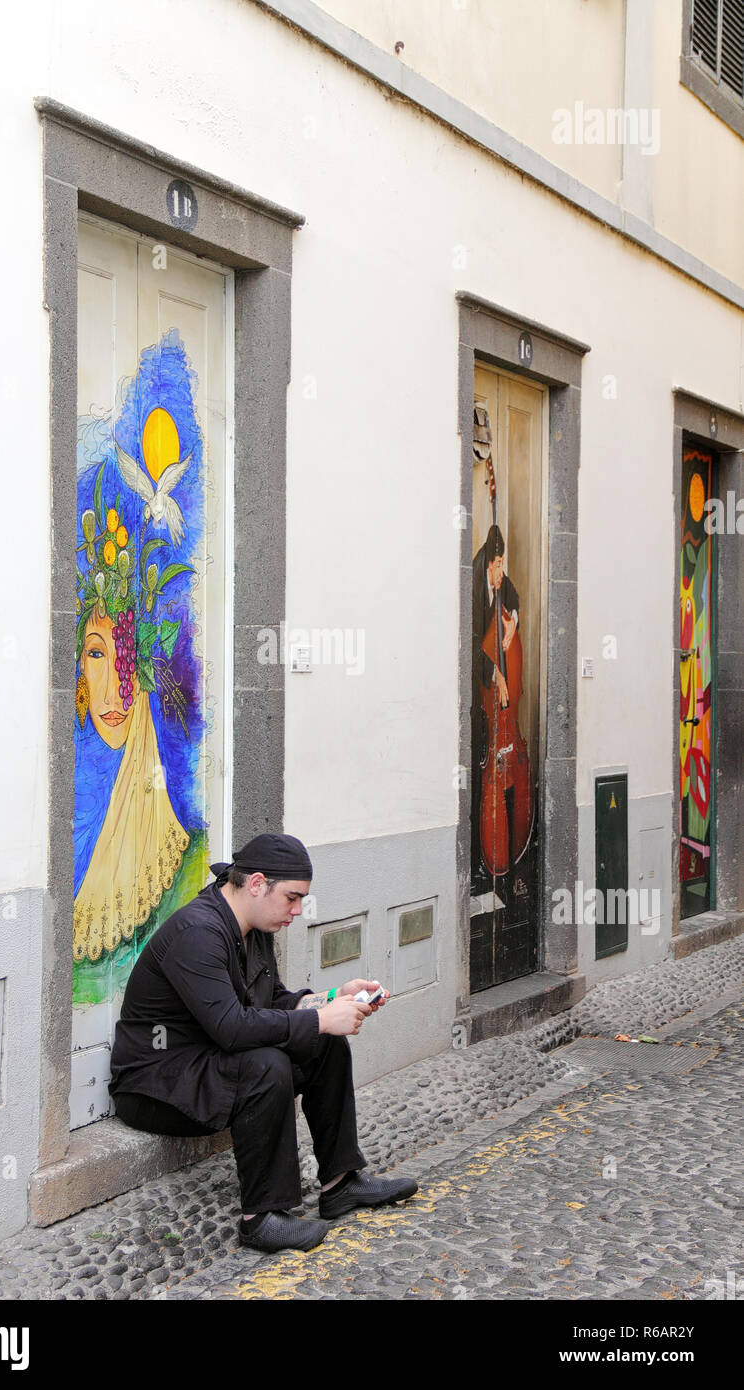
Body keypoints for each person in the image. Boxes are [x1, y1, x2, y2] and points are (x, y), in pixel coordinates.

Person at [109, 832, 417, 1253]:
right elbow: (232, 1028)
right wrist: (320, 1019)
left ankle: (341, 1183)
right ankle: (262, 1218)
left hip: (209, 1063)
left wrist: (332, 999)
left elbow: (273, 1003)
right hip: (155, 1083)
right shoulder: (197, 932)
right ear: (256, 884)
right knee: (267, 1063)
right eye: (292, 898)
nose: (297, 911)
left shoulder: (253, 928)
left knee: (324, 1043)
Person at [470, 522, 520, 886]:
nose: (502, 572)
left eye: (503, 564)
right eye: (498, 565)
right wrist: (497, 676)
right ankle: (475, 859)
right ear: (488, 563)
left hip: (493, 695)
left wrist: (513, 623)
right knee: (477, 771)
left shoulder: (500, 579)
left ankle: (502, 853)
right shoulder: (475, 584)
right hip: (475, 690)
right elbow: (472, 645)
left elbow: (513, 599)